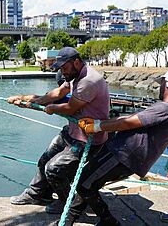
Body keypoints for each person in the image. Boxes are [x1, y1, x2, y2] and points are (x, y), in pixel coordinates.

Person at [63, 68, 168, 226]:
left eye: (161, 84)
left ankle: (108, 221)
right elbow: (131, 119)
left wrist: (97, 125)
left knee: (83, 183)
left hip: (123, 155)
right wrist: (105, 122)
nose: (159, 87)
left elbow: (129, 122)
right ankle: (70, 219)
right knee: (89, 182)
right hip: (124, 154)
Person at [7, 47, 110, 214]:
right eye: (60, 68)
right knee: (44, 160)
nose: (63, 71)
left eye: (64, 67)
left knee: (53, 169)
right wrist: (29, 101)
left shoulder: (88, 81)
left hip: (88, 139)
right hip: (73, 132)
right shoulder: (75, 74)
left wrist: (51, 108)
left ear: (76, 62)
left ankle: (69, 203)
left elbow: (70, 108)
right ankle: (38, 194)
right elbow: (58, 92)